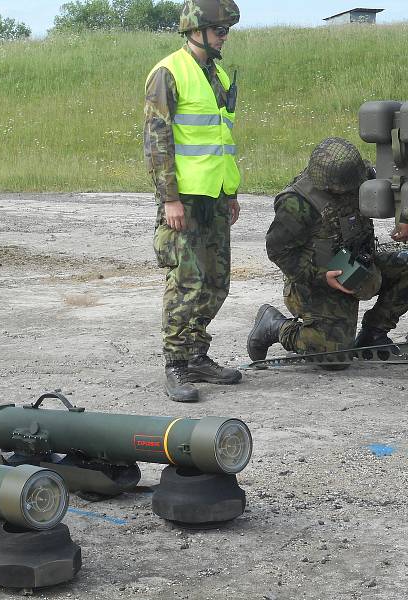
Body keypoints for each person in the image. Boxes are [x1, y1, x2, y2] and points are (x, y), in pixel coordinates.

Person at [144, 0, 242, 402]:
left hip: (215, 193)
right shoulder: (168, 72)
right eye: (220, 29)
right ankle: (176, 365)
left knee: (217, 282)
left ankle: (197, 354)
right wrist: (169, 199)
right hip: (184, 197)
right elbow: (156, 141)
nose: (225, 36)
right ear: (196, 29)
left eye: (226, 30)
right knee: (186, 282)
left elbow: (221, 136)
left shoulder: (216, 72)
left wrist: (231, 190)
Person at [247, 137, 408, 364]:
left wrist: (404, 216)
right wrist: (322, 276)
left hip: (358, 265)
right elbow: (279, 251)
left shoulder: (363, 178)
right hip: (315, 281)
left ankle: (373, 334)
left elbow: (397, 189)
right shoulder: (297, 203)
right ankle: (275, 326)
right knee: (333, 355)